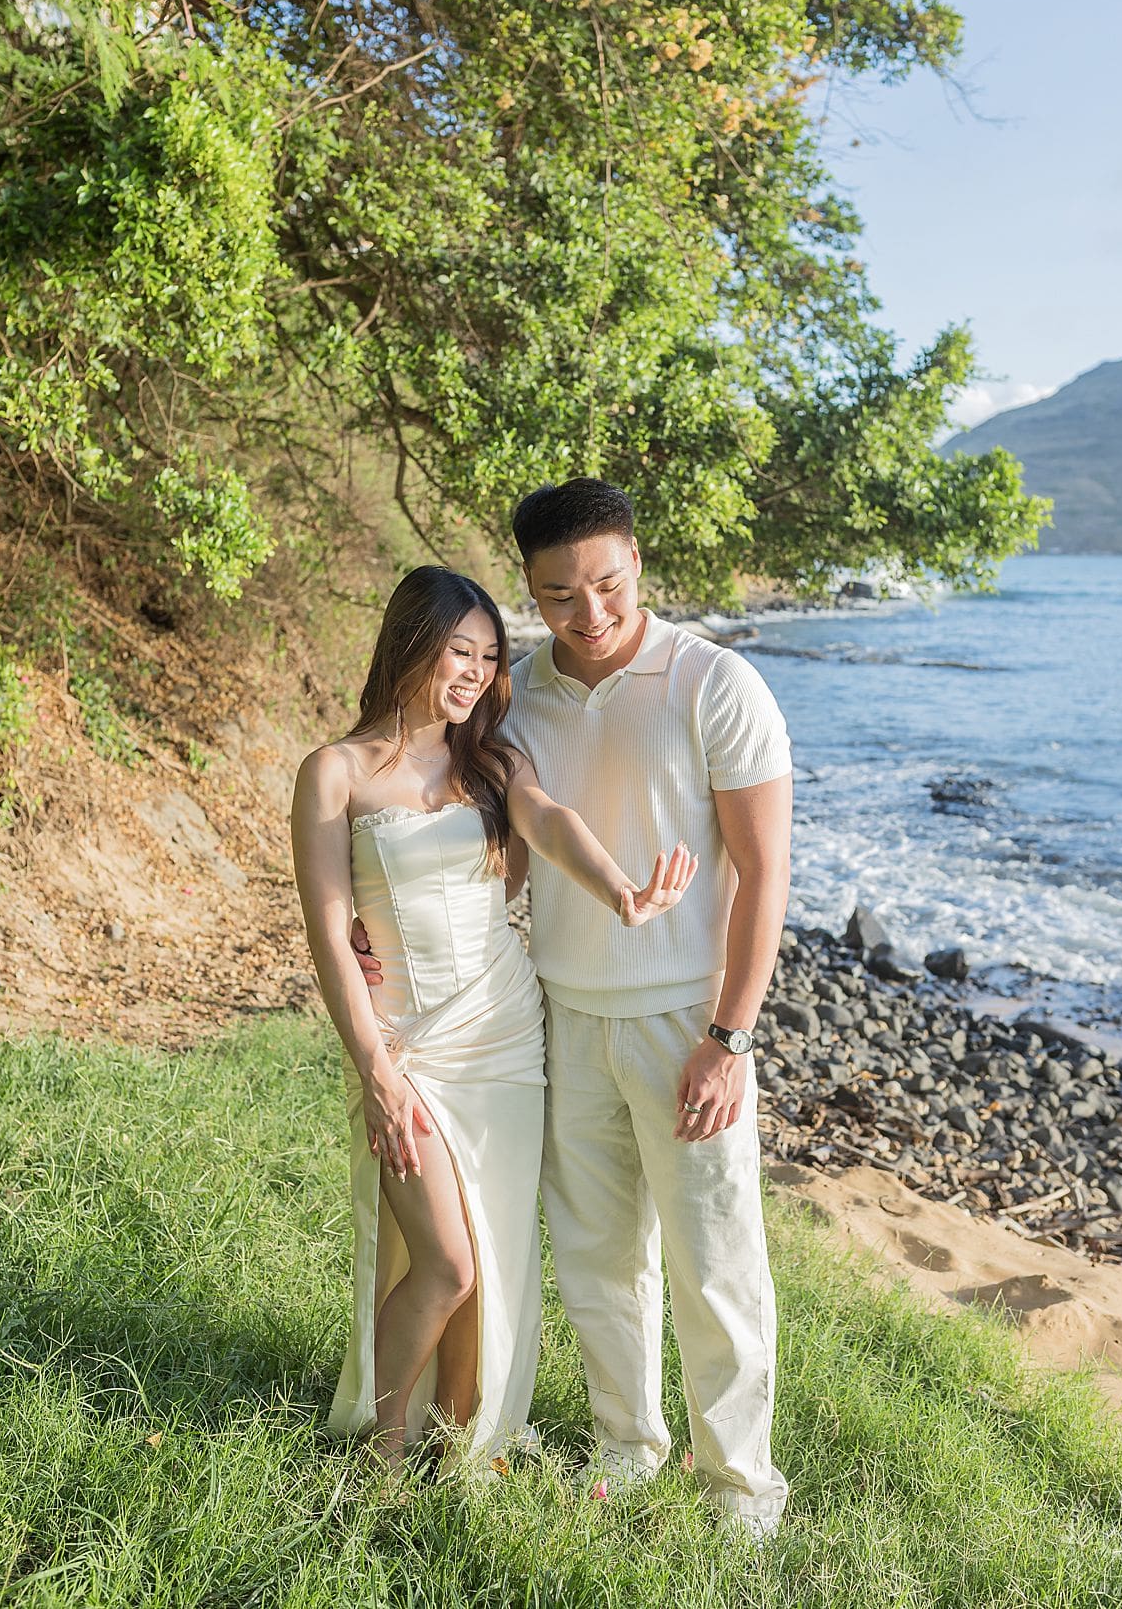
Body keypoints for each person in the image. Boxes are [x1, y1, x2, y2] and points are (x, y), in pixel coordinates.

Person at [355, 481, 795, 1537]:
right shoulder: (516, 696)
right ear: (531, 591)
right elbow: (463, 811)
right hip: (554, 1012)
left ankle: (741, 1487)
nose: (587, 611)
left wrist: (729, 1037)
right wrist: (379, 926)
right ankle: (628, 1446)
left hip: (685, 1019)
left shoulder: (715, 682)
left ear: (637, 562)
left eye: (605, 583)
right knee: (597, 1255)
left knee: (714, 1252)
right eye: (558, 593)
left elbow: (766, 868)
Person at [290, 565, 697, 1476]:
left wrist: (624, 894)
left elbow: (548, 823)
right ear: (408, 643)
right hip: (409, 1043)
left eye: (487, 656)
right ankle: (382, 1462)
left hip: (504, 1032)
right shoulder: (335, 772)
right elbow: (327, 938)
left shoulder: (493, 761)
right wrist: (376, 1071)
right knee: (445, 1260)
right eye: (457, 652)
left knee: (495, 1251)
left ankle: (461, 1444)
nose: (474, 672)